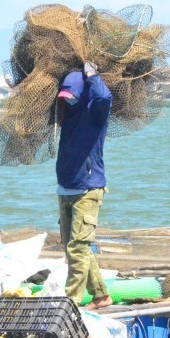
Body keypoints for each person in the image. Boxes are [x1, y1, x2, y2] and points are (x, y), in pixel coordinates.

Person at [56, 61, 113, 310]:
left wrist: (91, 74)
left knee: (78, 247)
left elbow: (105, 96)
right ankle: (101, 296)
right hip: (65, 186)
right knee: (72, 248)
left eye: (71, 95)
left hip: (88, 189)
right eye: (65, 97)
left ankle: (71, 303)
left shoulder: (95, 111)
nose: (68, 100)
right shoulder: (66, 112)